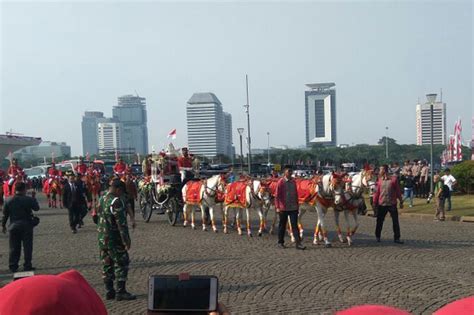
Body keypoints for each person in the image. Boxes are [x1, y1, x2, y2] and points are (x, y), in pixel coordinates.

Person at [96, 179, 136, 301]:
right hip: (114, 239)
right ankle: (121, 291)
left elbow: (95, 215)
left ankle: (109, 291)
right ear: (118, 189)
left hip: (102, 238)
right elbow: (121, 224)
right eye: (121, 192)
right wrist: (126, 241)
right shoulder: (116, 201)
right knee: (121, 262)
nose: (121, 195)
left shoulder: (102, 198)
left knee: (107, 264)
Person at [2, 182, 40, 272]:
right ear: (24, 189)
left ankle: (13, 265)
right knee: (27, 247)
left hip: (13, 226)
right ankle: (27, 265)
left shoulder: (8, 200)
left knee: (14, 247)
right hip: (26, 225)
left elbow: (5, 215)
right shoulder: (28, 199)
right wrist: (33, 197)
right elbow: (36, 208)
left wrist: (3, 225)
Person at [275, 166, 306, 250]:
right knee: (282, 226)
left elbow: (296, 194)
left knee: (295, 226)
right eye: (289, 171)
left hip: (293, 208)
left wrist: (297, 205)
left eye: (291, 171)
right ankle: (280, 242)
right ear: (285, 172)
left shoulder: (293, 182)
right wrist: (277, 207)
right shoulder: (280, 182)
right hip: (283, 208)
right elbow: (277, 196)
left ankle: (298, 243)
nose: (290, 173)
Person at [373, 164, 404, 244]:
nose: (379, 171)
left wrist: (401, 201)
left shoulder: (393, 180)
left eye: (381, 170)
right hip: (382, 204)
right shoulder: (379, 180)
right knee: (379, 221)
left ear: (385, 170)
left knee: (395, 221)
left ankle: (397, 238)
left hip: (392, 204)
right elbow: (377, 192)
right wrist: (374, 202)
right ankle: (377, 236)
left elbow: (398, 191)